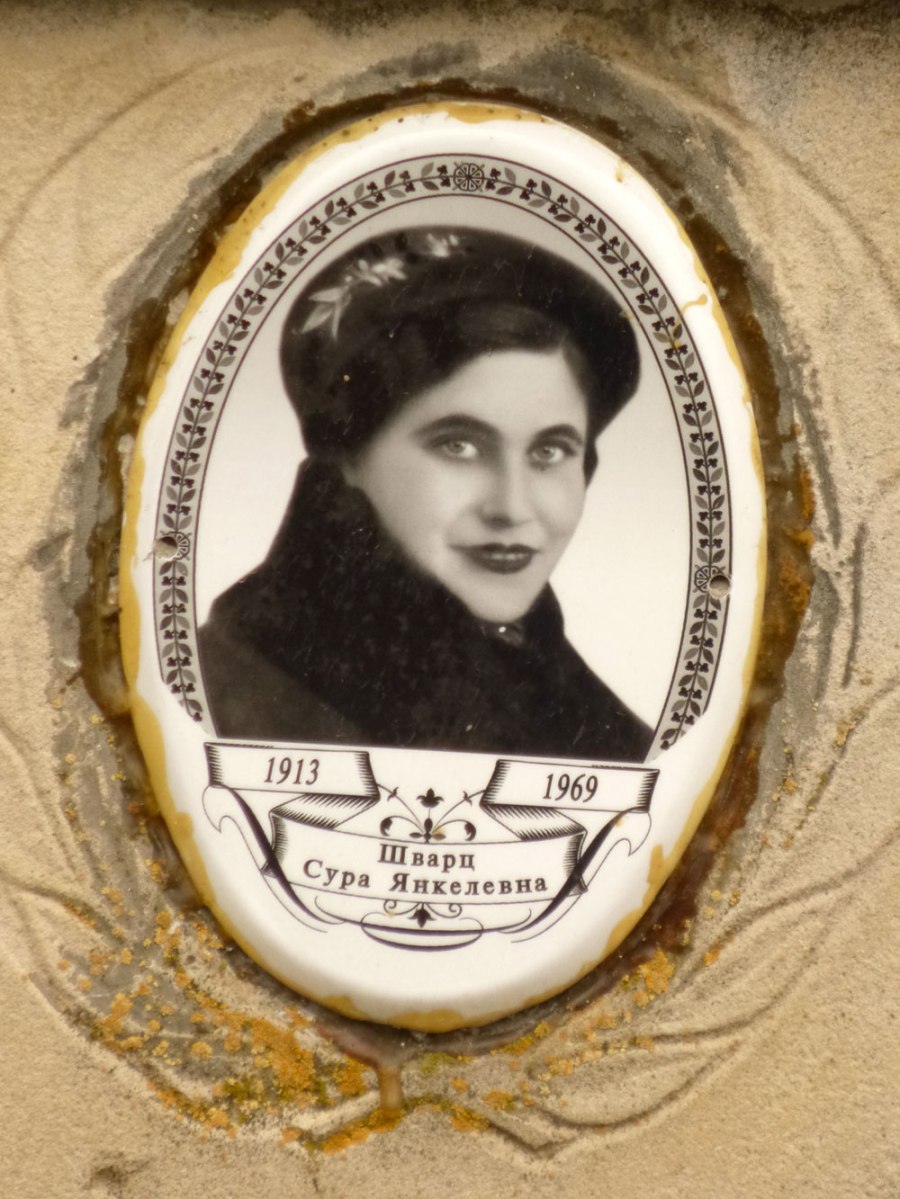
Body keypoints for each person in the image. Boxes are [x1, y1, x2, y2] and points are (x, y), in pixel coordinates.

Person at [199, 226, 653, 761]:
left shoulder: (608, 734)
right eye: (458, 445)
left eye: (549, 452)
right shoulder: (222, 697)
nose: (512, 508)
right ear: (348, 456)